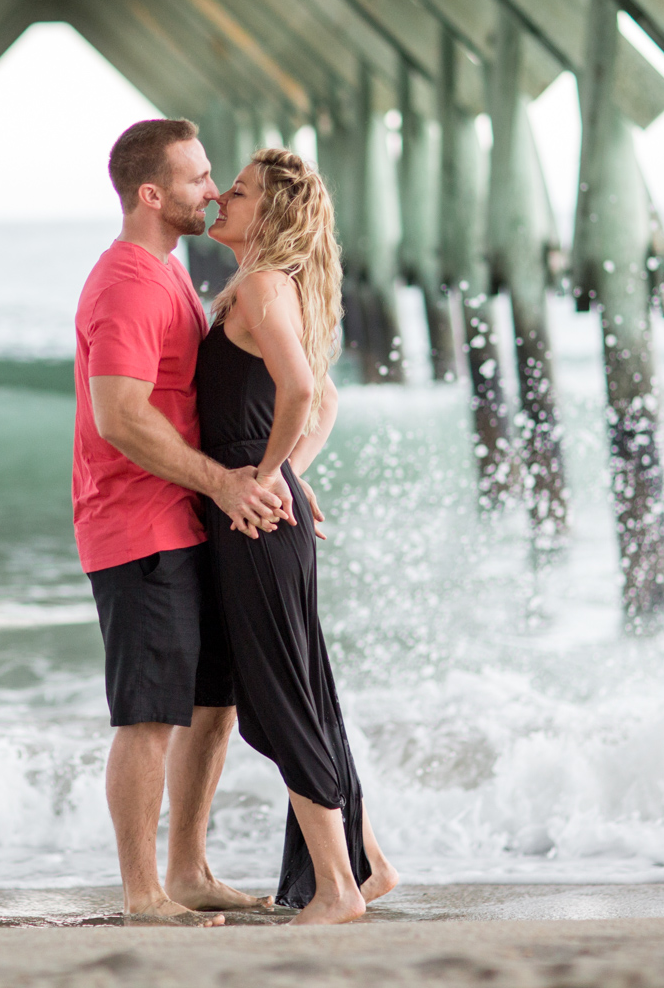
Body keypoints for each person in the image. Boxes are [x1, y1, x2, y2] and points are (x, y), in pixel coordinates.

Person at [73, 119, 287, 924]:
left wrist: (271, 476)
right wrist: (222, 484)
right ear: (151, 194)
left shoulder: (166, 273)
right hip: (136, 526)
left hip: (184, 519)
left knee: (211, 704)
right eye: (199, 178)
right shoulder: (127, 281)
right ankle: (141, 893)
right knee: (149, 716)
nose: (215, 188)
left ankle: (188, 870)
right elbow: (121, 416)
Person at [197, 147, 400, 925]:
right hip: (266, 510)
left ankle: (337, 889)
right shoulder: (270, 287)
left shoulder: (261, 283)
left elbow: (307, 390)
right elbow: (327, 401)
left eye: (238, 192)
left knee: (281, 702)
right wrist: (288, 473)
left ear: (271, 215)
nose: (220, 196)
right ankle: (368, 865)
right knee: (305, 691)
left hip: (256, 520)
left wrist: (266, 473)